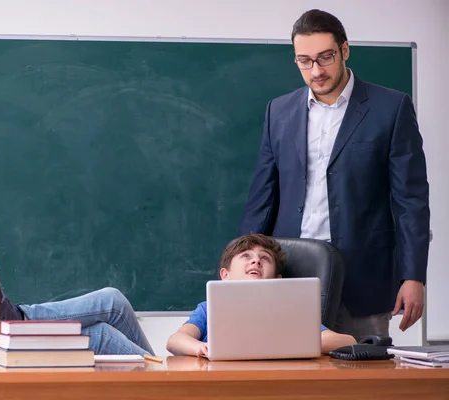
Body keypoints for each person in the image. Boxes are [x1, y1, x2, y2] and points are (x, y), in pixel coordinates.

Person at [239, 9, 430, 340]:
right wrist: (240, 272)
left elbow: (410, 200)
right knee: (289, 384)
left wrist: (414, 277)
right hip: (289, 275)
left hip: (363, 278)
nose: (316, 70)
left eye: (325, 57)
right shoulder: (279, 111)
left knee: (364, 383)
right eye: (304, 61)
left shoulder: (391, 108)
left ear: (344, 50)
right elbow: (263, 198)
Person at [166, 234, 356, 356]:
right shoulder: (209, 309)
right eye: (246, 256)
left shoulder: (289, 311)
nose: (256, 261)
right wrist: (200, 348)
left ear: (277, 279)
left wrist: (290, 342)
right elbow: (175, 341)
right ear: (225, 275)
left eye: (264, 258)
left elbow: (347, 341)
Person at [0, 260, 154, 358]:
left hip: (180, 384)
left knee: (102, 335)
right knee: (113, 301)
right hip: (173, 369)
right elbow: (177, 340)